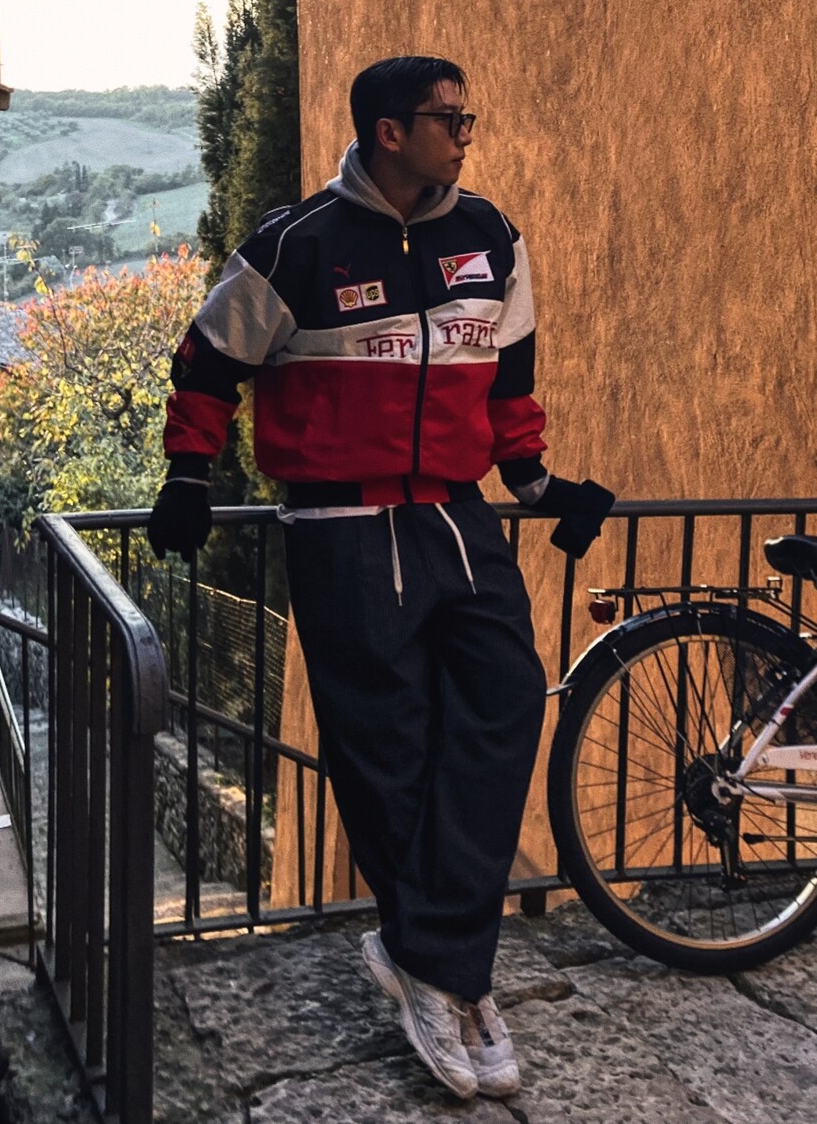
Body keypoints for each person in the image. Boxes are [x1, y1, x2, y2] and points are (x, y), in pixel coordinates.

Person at [148, 55, 614, 1100]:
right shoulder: (297, 244)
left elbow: (508, 380)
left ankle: (425, 956)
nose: (467, 134)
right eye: (452, 119)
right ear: (390, 132)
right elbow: (208, 360)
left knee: (506, 703)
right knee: (386, 752)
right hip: (340, 523)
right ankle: (454, 981)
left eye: (467, 117)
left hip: (455, 516)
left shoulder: (491, 236)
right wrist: (187, 473)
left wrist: (538, 485)